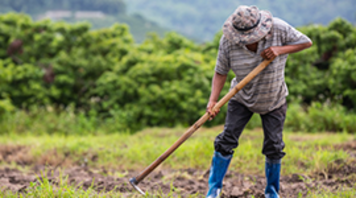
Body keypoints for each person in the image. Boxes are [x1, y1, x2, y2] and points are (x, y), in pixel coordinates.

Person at [205, 5, 312, 198]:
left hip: (274, 98)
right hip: (241, 97)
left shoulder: (278, 28)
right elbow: (220, 71)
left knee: (274, 145)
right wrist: (213, 101)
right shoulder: (228, 42)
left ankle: (271, 192)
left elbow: (306, 42)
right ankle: (214, 189)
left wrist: (280, 50)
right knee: (226, 140)